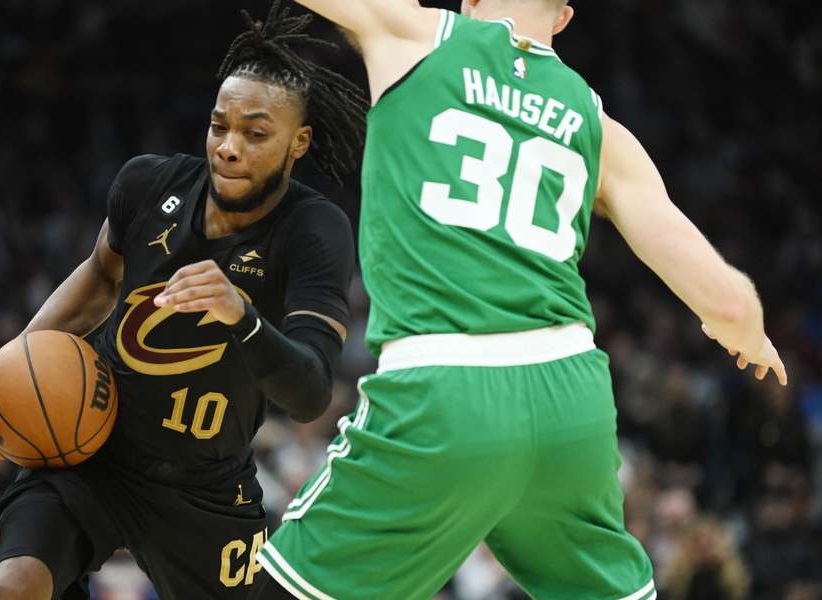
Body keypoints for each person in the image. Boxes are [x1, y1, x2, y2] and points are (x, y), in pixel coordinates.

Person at [249, 1, 788, 599]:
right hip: (572, 401)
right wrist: (746, 332)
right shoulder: (600, 127)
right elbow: (730, 304)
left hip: (448, 388)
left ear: (472, 2)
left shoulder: (416, 32)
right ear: (562, 18)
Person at [0, 3, 367, 598]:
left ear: (298, 142)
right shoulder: (148, 183)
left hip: (203, 486)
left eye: (256, 134)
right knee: (14, 586)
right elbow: (100, 276)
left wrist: (243, 317)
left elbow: (309, 394)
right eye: (218, 125)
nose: (229, 146)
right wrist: (11, 358)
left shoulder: (314, 231)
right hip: (97, 446)